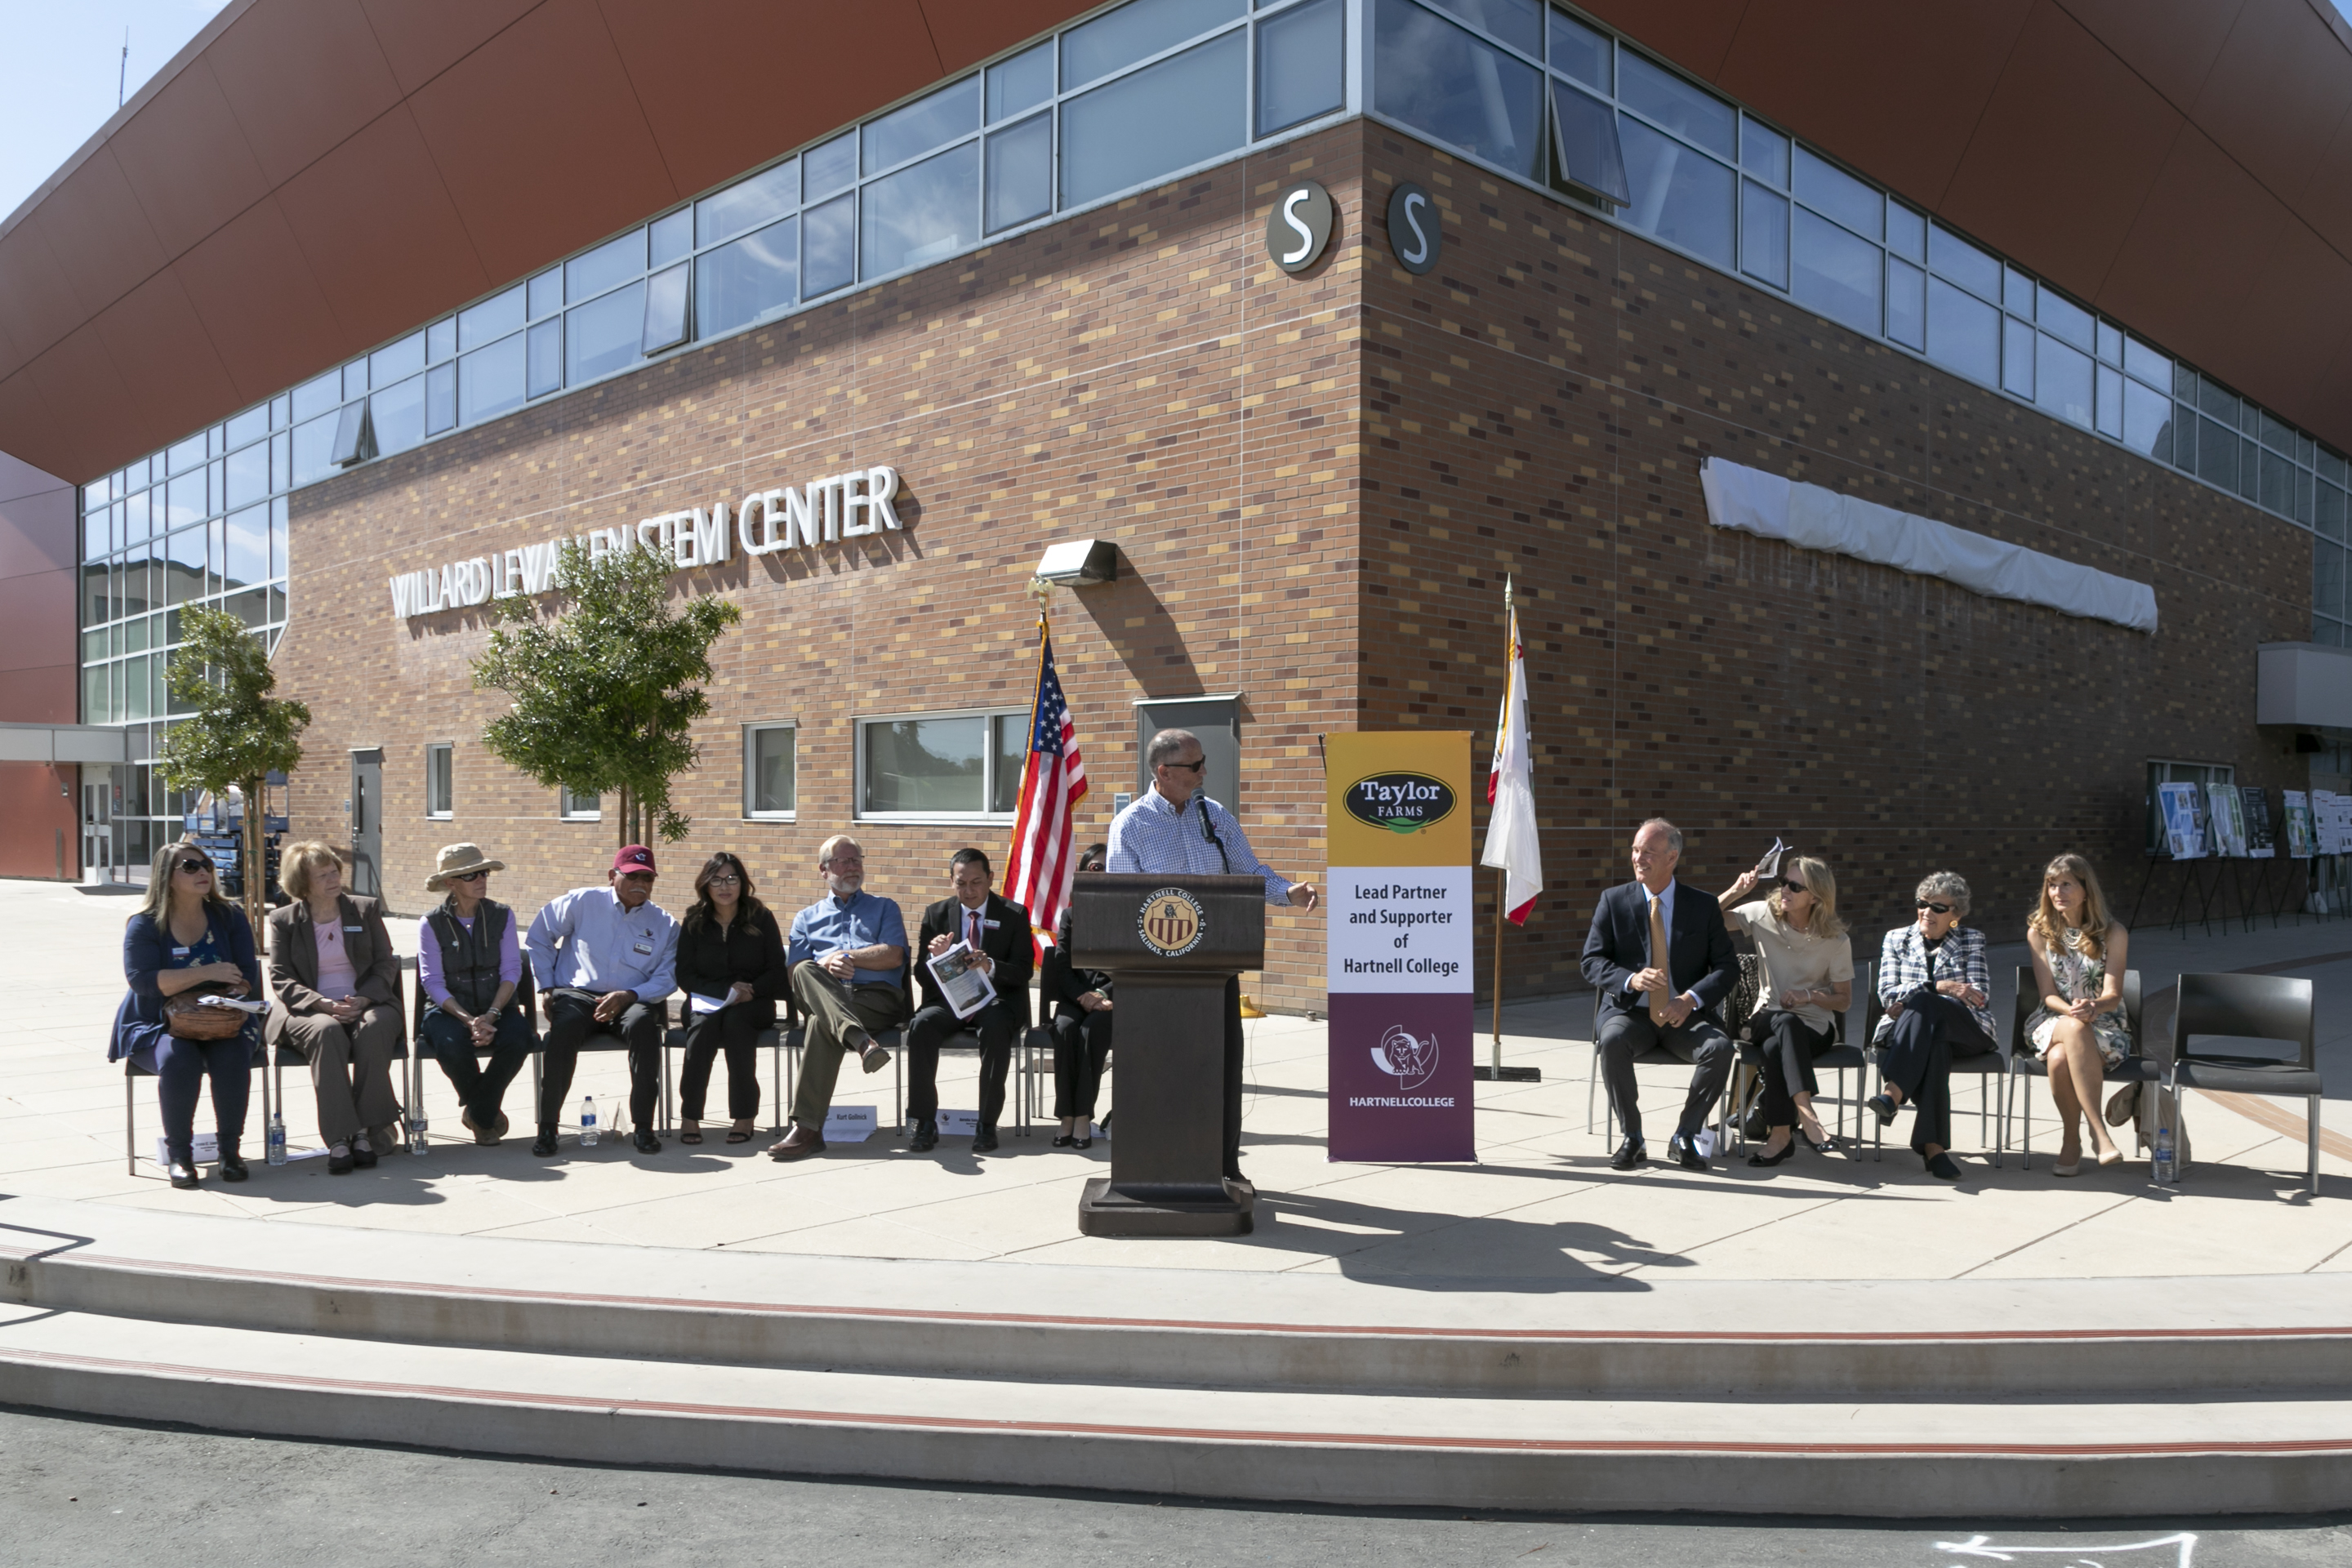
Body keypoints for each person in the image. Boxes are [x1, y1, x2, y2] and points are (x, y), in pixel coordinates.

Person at [1107, 730, 1317, 1195]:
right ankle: (1159, 1162)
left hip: (1215, 968)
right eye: (1196, 765)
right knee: (1166, 1069)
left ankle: (1223, 1164)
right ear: (1163, 772)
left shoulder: (1215, 815)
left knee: (1221, 1067)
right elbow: (1123, 904)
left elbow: (1249, 873)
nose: (1205, 773)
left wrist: (1287, 891)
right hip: (1157, 980)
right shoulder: (1131, 824)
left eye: (1203, 764)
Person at [1579, 817, 1738, 1171]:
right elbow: (1590, 961)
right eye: (1636, 850)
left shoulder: (1702, 906)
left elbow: (1727, 967)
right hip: (1631, 1015)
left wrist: (1691, 999)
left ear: (1672, 857)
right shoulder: (1614, 901)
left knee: (1720, 1048)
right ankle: (1632, 1137)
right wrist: (1630, 979)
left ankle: (1685, 1135)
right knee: (1612, 1041)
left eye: (1649, 851)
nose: (1639, 858)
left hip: (1685, 1017)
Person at [108, 840, 262, 1189]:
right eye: (190, 867)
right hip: (156, 1022)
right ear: (167, 877)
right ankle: (180, 1156)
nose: (203, 871)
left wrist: (236, 992)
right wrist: (208, 973)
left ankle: (230, 1153)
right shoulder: (145, 924)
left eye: (205, 864)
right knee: (180, 1058)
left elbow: (247, 973)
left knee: (233, 1054)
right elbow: (143, 982)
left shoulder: (230, 916)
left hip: (222, 1019)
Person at [524, 844, 679, 1156]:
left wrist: (631, 995)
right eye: (634, 876)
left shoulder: (665, 923)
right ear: (613, 876)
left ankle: (644, 1128)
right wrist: (547, 986)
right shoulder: (582, 902)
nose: (642, 884)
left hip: (631, 998)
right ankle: (548, 1129)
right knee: (562, 1032)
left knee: (646, 1029)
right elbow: (539, 936)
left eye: (648, 878)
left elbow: (668, 976)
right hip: (577, 994)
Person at [767, 835, 910, 1161]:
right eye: (843, 861)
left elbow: (893, 956)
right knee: (804, 968)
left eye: (856, 860)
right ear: (823, 870)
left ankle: (808, 1131)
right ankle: (861, 1041)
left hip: (875, 998)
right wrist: (825, 964)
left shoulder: (885, 907)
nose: (852, 867)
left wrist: (848, 956)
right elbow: (794, 977)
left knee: (821, 1024)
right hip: (823, 993)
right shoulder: (806, 918)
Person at [265, 841, 405, 1175]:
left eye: (334, 872)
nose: (333, 879)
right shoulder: (284, 920)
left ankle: (369, 1128)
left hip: (366, 1000)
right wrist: (321, 1004)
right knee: (327, 1032)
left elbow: (385, 964)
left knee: (373, 1027)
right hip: (308, 1010)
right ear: (302, 884)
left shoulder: (364, 909)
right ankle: (344, 1136)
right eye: (322, 875)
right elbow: (280, 976)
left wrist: (365, 999)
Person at [1717, 854, 1854, 1166]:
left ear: (1816, 897)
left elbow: (1843, 1000)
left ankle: (1780, 1137)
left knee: (1777, 1044)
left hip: (1815, 1027)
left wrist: (1809, 996)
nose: (1784, 891)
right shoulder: (1762, 915)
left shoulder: (1835, 940)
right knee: (1783, 1024)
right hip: (1766, 1015)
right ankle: (1807, 1115)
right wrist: (1737, 891)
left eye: (1794, 886)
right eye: (1783, 883)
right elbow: (1704, 919)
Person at [1867, 871, 1998, 1182]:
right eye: (1922, 904)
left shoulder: (1971, 939)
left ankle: (1893, 1093)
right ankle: (1934, 1150)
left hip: (1967, 1030)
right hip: (1918, 1034)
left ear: (1956, 914)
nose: (1927, 912)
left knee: (1925, 1004)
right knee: (1935, 1046)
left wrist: (1921, 994)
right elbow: (1887, 993)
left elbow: (1979, 995)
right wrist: (1941, 987)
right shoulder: (1896, 938)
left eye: (1938, 908)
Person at [905, 848, 1035, 1154]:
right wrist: (932, 958)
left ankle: (987, 1125)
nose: (969, 890)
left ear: (990, 879)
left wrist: (989, 967)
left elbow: (1023, 972)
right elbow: (921, 978)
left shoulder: (1013, 914)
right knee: (921, 1025)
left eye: (976, 882)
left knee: (997, 1025)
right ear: (952, 881)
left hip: (995, 1001)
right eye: (961, 883)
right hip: (950, 1001)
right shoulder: (936, 914)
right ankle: (924, 1122)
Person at [416, 842, 536, 1147]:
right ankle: (487, 1114)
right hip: (448, 1009)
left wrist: (493, 1013)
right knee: (450, 1043)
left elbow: (512, 970)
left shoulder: (502, 915)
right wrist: (469, 1020)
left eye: (483, 872)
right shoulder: (430, 923)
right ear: (450, 883)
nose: (481, 879)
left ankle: (479, 1113)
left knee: (519, 1037)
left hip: (497, 1005)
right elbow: (432, 981)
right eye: (471, 876)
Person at [2023, 853, 2131, 1175]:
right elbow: (2048, 995)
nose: (2058, 892)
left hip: (2103, 1024)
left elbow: (2112, 995)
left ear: (2086, 890)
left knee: (2058, 1060)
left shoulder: (2113, 932)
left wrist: (2092, 1007)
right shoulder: (2039, 933)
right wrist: (2073, 1010)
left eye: (2066, 884)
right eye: (2052, 885)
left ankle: (2071, 1140)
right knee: (2071, 1027)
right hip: (2052, 1020)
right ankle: (2099, 1133)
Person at [674, 851, 786, 1145]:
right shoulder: (694, 920)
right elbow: (684, 976)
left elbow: (776, 970)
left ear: (742, 882)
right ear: (706, 885)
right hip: (706, 1001)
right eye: (717, 880)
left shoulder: (761, 917)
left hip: (754, 1002)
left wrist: (751, 992)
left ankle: (744, 1115)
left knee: (737, 1026)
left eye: (732, 879)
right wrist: (726, 992)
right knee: (702, 1030)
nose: (725, 887)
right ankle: (690, 1115)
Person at [1043, 844, 1113, 1147]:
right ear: (1083, 874)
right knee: (1065, 1029)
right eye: (1095, 867)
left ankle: (1083, 1115)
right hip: (1075, 997)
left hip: (1112, 1002)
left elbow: (1132, 965)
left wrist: (1100, 994)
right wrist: (1084, 996)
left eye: (1108, 867)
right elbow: (1061, 965)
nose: (1101, 872)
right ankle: (1066, 1117)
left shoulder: (1129, 913)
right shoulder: (1071, 916)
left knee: (1090, 1031)